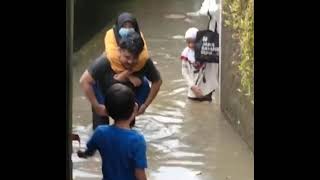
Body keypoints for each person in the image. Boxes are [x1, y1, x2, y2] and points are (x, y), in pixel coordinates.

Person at [80, 32, 162, 129]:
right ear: (119, 51)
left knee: (127, 131)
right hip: (103, 93)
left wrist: (145, 105)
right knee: (100, 129)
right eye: (127, 57)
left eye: (135, 58)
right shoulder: (106, 60)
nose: (131, 61)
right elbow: (84, 81)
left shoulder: (144, 61)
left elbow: (157, 81)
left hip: (128, 98)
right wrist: (96, 106)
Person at [77, 83, 148, 180]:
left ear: (106, 111)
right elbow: (140, 173)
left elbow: (89, 152)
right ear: (135, 108)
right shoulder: (137, 140)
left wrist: (82, 154)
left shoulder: (100, 132)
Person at [181, 27, 218, 102]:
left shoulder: (207, 51)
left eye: (194, 42)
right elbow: (184, 71)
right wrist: (192, 86)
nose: (191, 45)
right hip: (193, 89)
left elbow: (215, 63)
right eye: (188, 42)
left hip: (207, 89)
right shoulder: (186, 53)